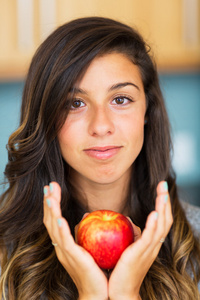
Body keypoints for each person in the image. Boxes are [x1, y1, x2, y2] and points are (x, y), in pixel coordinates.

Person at [0, 16, 200, 300]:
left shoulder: (196, 239)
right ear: (46, 119)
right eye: (75, 103)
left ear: (147, 109)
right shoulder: (4, 254)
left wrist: (126, 294)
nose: (101, 126)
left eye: (120, 99)